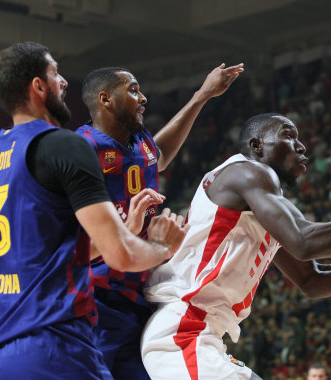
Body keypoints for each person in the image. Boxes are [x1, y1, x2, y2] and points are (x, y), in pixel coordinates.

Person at [141, 113, 331, 379]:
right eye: (289, 136)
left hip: (201, 335)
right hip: (184, 332)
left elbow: (311, 281)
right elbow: (304, 241)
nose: (301, 146)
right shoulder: (248, 172)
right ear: (257, 146)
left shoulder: (261, 203)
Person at [0, 42, 188, 379]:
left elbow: (54, 253)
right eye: (55, 74)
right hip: (50, 341)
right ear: (39, 87)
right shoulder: (64, 144)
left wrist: (125, 230)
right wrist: (163, 246)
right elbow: (120, 257)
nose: (64, 83)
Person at [76, 63, 243, 379]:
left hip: (143, 294)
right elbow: (69, 240)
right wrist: (128, 230)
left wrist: (202, 96)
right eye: (133, 89)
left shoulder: (139, 141)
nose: (144, 98)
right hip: (99, 297)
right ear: (105, 99)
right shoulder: (81, 149)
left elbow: (160, 153)